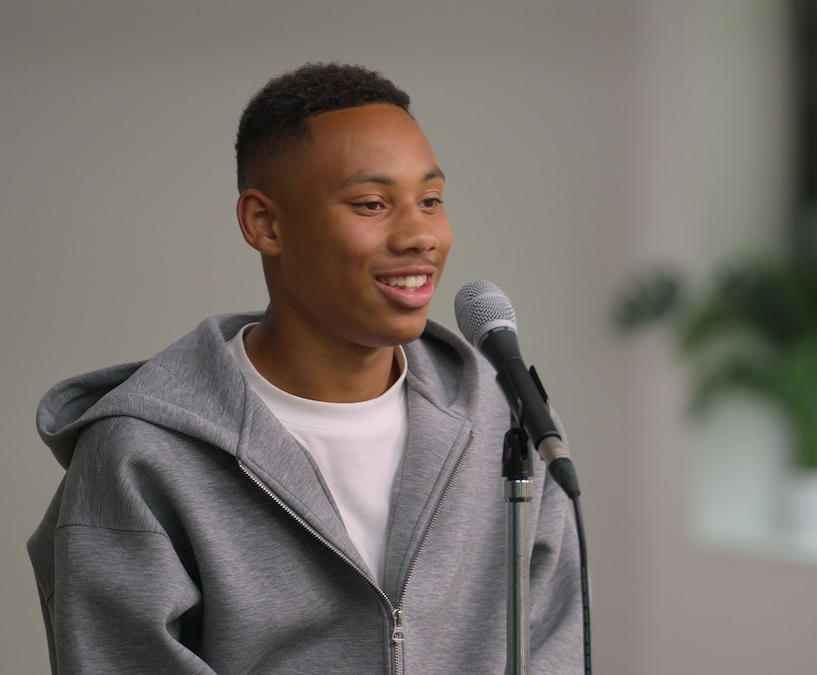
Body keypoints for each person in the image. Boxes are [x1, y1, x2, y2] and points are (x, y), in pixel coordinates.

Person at [28, 62, 582, 674]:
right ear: (265, 223)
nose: (421, 234)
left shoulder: (508, 422)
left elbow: (551, 646)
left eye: (430, 200)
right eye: (372, 204)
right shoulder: (141, 456)